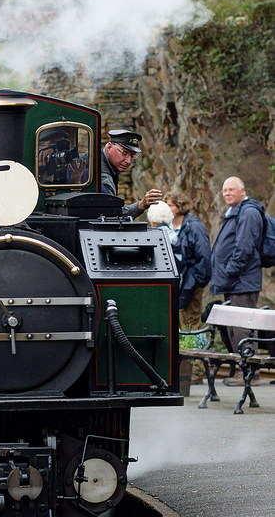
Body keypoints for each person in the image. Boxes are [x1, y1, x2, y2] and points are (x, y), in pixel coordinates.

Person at [209, 176, 264, 376]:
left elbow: (244, 247)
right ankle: (243, 370)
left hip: (242, 281)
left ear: (242, 191)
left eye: (232, 189)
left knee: (243, 327)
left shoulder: (248, 212)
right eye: (225, 190)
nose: (228, 193)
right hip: (233, 282)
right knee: (233, 328)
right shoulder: (234, 212)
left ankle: (250, 372)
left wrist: (229, 271)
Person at [164, 189, 212, 385]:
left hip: (191, 281)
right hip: (178, 281)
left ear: (179, 207)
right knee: (179, 324)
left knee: (193, 325)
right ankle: (183, 369)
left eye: (170, 205)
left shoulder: (194, 227)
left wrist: (196, 282)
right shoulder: (168, 225)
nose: (167, 209)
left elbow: (203, 257)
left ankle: (198, 370)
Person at [100, 128, 162, 217]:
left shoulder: (98, 161)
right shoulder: (103, 178)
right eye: (124, 153)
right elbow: (113, 215)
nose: (128, 161)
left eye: (132, 156)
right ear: (109, 147)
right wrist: (141, 204)